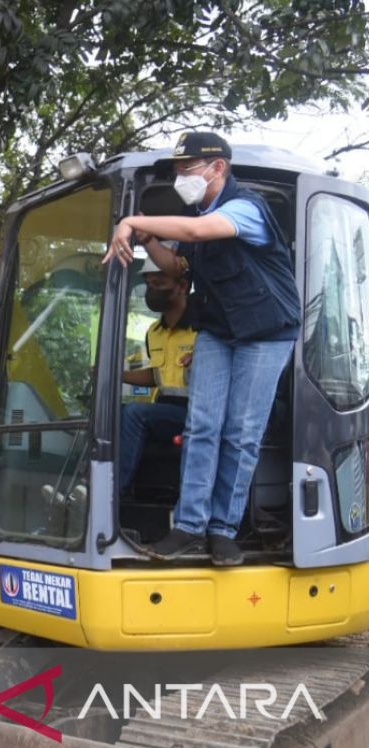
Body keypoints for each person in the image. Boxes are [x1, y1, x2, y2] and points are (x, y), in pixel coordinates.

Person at [102, 132, 300, 566]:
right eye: (177, 170)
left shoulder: (245, 208)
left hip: (266, 333)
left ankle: (223, 530)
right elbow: (179, 265)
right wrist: (147, 242)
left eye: (187, 169)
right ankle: (189, 526)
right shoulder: (200, 212)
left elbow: (196, 231)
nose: (180, 178)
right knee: (201, 427)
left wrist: (135, 221)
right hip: (219, 331)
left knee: (241, 433)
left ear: (218, 169)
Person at [119, 257, 196, 494]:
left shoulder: (204, 328)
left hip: (196, 413)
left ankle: (109, 493)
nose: (152, 291)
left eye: (159, 283)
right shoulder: (154, 332)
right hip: (165, 410)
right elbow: (156, 376)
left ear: (182, 286)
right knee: (112, 414)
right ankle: (85, 483)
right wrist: (114, 374)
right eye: (149, 284)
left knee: (135, 413)